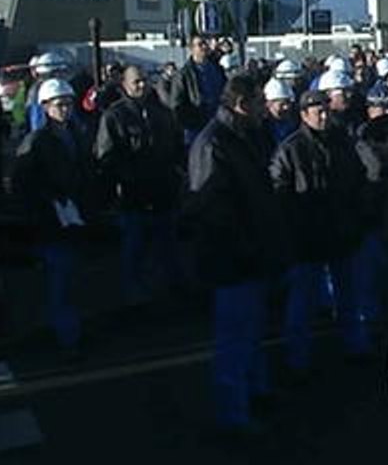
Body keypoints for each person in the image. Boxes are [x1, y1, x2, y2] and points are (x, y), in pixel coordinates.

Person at [182, 74, 284, 442]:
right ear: (242, 105)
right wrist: (247, 246)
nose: (265, 110)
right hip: (232, 261)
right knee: (233, 340)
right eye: (259, 103)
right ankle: (233, 416)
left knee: (252, 333)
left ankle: (255, 393)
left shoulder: (242, 137)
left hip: (251, 256)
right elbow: (210, 211)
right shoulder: (214, 145)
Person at [270, 89, 365, 379]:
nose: (324, 115)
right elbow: (279, 192)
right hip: (307, 238)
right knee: (302, 304)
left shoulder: (342, 143)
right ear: (303, 115)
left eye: (326, 109)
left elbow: (357, 180)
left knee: (348, 296)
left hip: (340, 232)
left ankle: (356, 347)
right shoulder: (290, 149)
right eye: (317, 110)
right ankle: (298, 359)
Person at [12, 79, 94, 360]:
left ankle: (73, 330)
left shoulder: (75, 133)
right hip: (51, 220)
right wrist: (47, 203)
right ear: (45, 107)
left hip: (75, 218)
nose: (65, 109)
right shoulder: (36, 141)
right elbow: (21, 185)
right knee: (60, 281)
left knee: (73, 279)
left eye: (68, 103)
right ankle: (66, 337)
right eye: (59, 104)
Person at [94, 65, 188, 310]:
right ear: (124, 84)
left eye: (144, 80)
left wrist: (177, 174)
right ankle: (135, 300)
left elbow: (177, 146)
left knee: (168, 249)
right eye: (136, 81)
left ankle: (169, 296)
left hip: (163, 194)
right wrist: (121, 183)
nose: (141, 85)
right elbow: (106, 157)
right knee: (134, 251)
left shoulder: (162, 113)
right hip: (134, 198)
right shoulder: (114, 116)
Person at [171, 35, 227, 147]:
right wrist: (190, 122)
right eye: (200, 44)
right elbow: (177, 104)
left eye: (205, 43)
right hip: (197, 127)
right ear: (192, 49)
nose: (204, 47)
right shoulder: (184, 74)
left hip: (218, 122)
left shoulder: (216, 69)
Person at [262, 78, 298, 146]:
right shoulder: (263, 129)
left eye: (288, 103)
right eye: (282, 104)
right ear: (269, 104)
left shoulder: (295, 122)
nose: (286, 107)